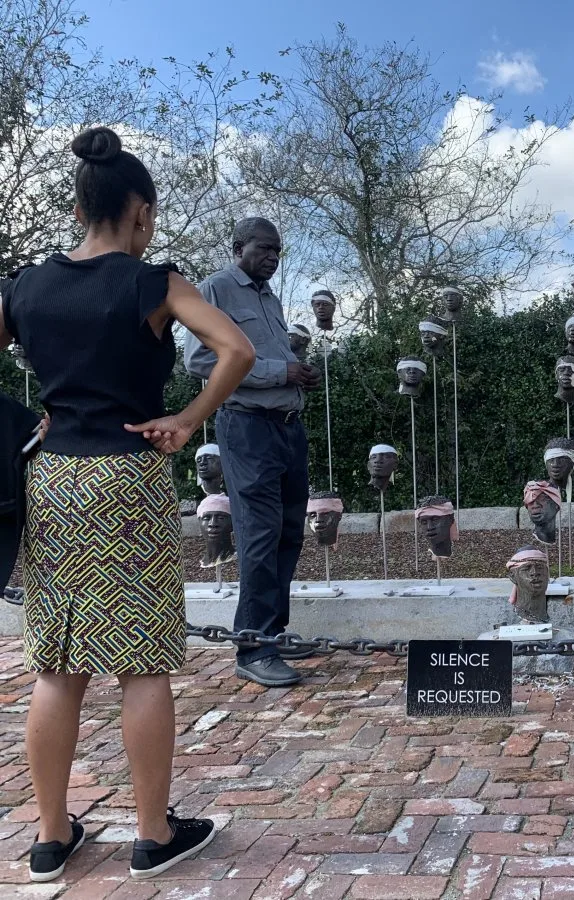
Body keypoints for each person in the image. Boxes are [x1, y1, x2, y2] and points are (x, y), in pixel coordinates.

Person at [0, 127, 254, 881]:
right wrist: (187, 418)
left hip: (52, 477)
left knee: (55, 664)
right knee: (141, 663)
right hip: (127, 476)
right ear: (139, 213)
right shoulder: (153, 283)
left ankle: (51, 838)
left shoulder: (24, 286)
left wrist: (26, 424)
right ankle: (152, 834)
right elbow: (236, 349)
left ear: (79, 206)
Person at [184, 218, 321, 688]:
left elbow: (273, 361)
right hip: (246, 429)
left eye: (278, 251)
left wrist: (297, 374)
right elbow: (199, 360)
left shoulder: (270, 298)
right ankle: (253, 646)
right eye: (265, 249)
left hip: (286, 428)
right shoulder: (214, 291)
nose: (273, 258)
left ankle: (273, 634)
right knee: (260, 534)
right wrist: (278, 373)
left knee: (288, 533)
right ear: (238, 246)